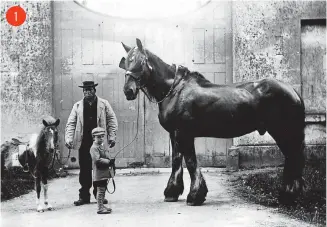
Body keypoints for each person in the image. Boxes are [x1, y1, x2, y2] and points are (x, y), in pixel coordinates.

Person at [65, 81, 118, 206]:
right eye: (85, 90)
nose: (87, 92)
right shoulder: (77, 106)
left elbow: (112, 120)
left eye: (90, 89)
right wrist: (69, 138)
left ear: (95, 90)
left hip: (99, 143)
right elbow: (71, 123)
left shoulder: (104, 104)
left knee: (100, 168)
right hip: (83, 143)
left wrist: (112, 137)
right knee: (84, 170)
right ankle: (84, 196)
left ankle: (98, 195)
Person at [90, 127, 113, 214]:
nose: (101, 138)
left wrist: (111, 161)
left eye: (102, 136)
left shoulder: (102, 146)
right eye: (98, 137)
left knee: (103, 190)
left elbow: (106, 155)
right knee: (100, 191)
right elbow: (97, 160)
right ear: (93, 138)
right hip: (99, 174)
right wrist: (108, 161)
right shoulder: (94, 148)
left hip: (104, 173)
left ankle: (102, 205)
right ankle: (99, 208)